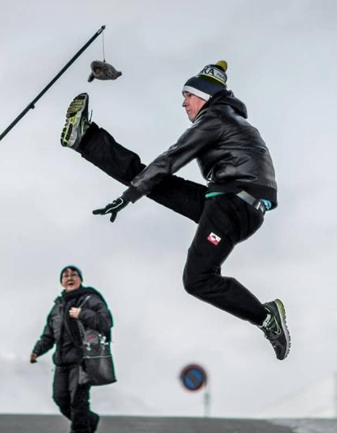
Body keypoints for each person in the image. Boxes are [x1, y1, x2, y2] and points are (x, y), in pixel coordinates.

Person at [60, 60, 290, 361]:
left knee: (198, 278)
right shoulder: (227, 118)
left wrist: (129, 196)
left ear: (204, 97)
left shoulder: (215, 118)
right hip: (227, 200)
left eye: (188, 95)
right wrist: (135, 191)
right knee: (152, 182)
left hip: (234, 204)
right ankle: (85, 138)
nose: (183, 103)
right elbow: (161, 170)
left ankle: (266, 317)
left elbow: (171, 158)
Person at [30, 265, 113, 433]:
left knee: (78, 401)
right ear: (61, 282)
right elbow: (49, 335)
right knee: (60, 398)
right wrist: (37, 351)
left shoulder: (91, 299)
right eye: (65, 275)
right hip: (61, 362)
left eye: (74, 274)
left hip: (82, 361)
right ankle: (90, 420)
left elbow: (106, 322)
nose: (69, 277)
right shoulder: (57, 308)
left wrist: (82, 314)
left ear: (80, 279)